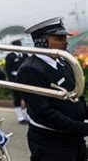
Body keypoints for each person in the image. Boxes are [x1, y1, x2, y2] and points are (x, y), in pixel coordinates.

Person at [17, 17, 88, 161]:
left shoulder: (63, 62)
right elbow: (45, 113)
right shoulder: (30, 69)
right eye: (59, 38)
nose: (65, 42)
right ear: (41, 42)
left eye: (64, 38)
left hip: (73, 138)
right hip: (51, 142)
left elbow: (75, 97)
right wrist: (81, 128)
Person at [4, 39, 29, 124]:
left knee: (28, 98)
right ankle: (20, 117)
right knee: (17, 98)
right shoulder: (10, 56)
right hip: (15, 80)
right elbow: (8, 70)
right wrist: (11, 82)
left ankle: (28, 116)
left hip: (25, 79)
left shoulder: (25, 55)